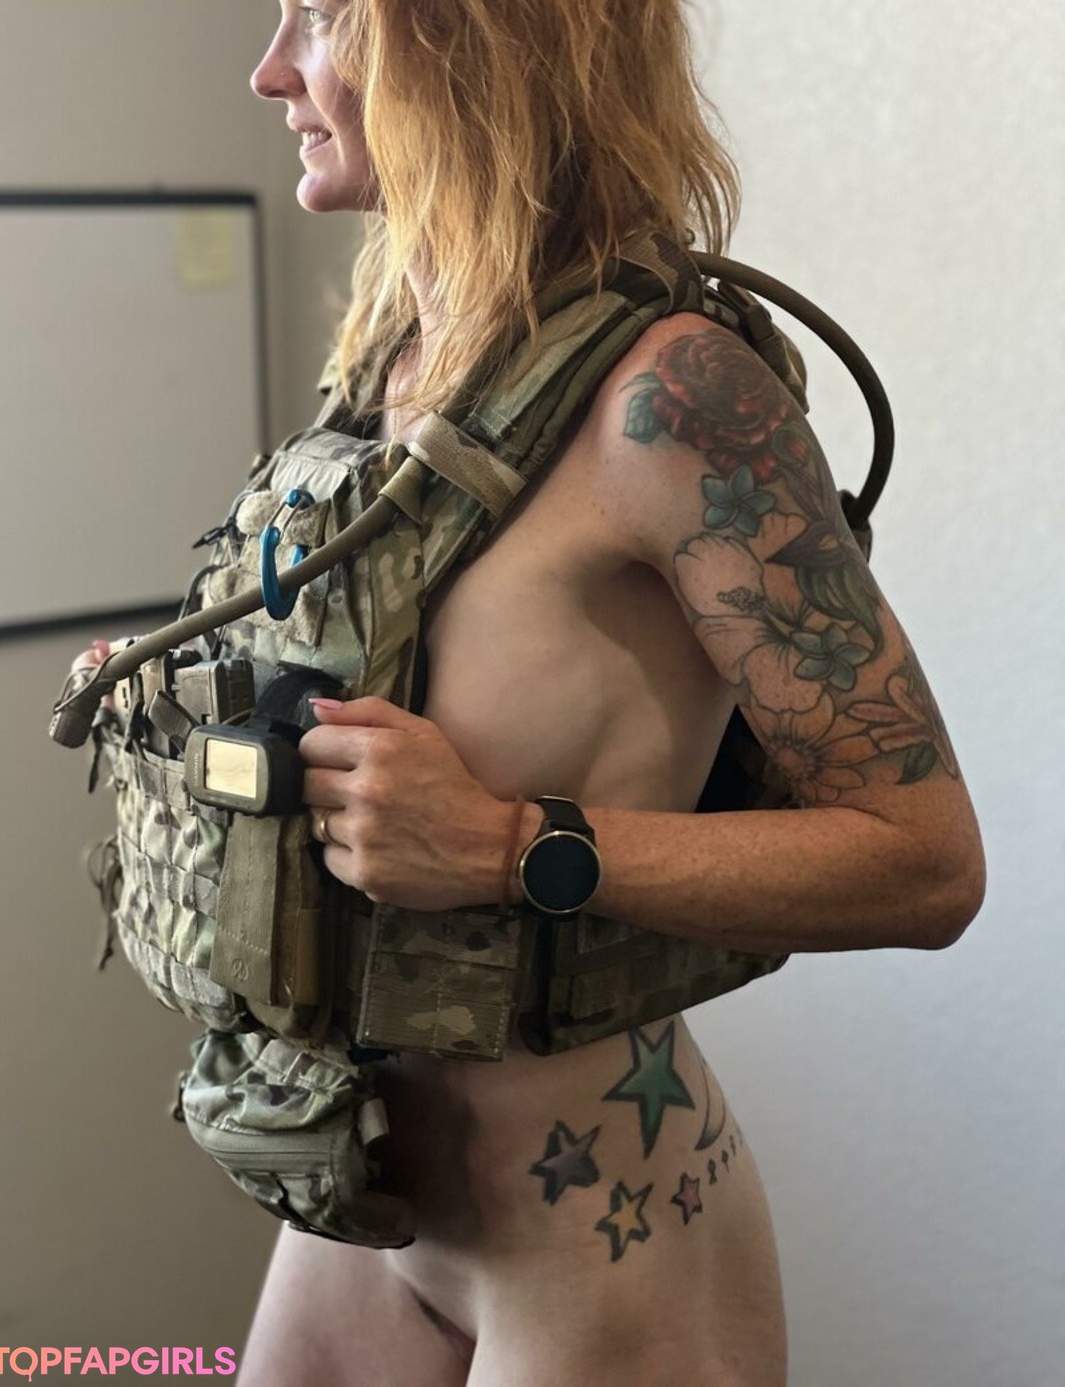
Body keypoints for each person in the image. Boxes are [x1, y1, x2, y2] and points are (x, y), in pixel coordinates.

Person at [74, 2, 984, 1383]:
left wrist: (511, 845)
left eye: (323, 15)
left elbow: (927, 865)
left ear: (475, 37)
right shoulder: (394, 358)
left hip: (604, 1249)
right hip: (362, 1206)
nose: (269, 71)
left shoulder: (674, 397)